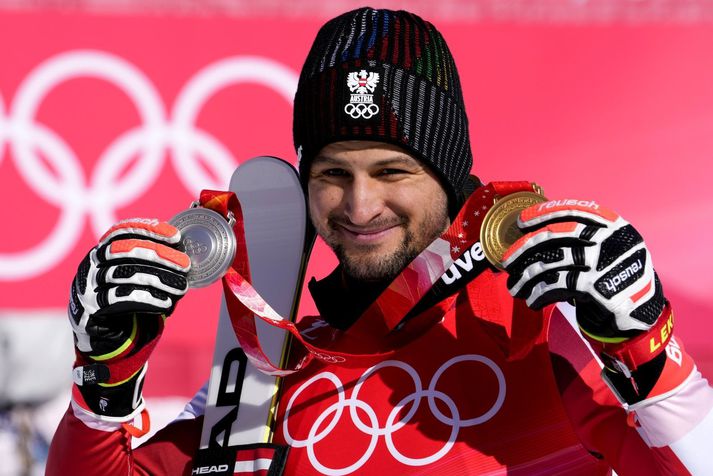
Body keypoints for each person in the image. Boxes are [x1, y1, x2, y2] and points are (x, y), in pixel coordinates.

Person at [47, 7, 712, 475]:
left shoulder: (537, 325)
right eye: (332, 175)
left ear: (449, 177)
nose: (360, 206)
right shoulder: (268, 368)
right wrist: (103, 385)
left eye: (392, 171)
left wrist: (650, 353)